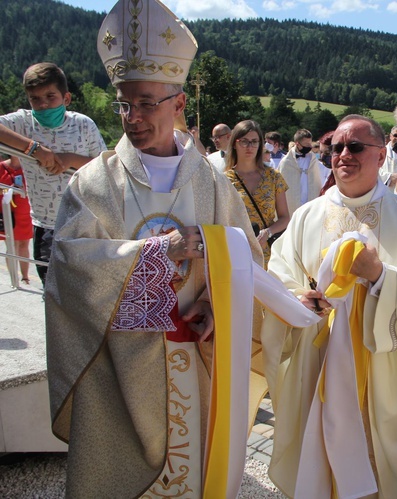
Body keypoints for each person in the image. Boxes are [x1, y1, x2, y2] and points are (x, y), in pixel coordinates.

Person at [44, 1, 264, 496]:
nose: (132, 117)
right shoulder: (93, 182)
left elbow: (247, 260)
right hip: (118, 370)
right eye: (124, 103)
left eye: (146, 103)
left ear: (179, 103)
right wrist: (158, 254)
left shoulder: (212, 184)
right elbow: (68, 266)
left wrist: (217, 304)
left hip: (196, 359)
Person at [261, 115, 397, 498]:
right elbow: (278, 274)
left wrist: (380, 277)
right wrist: (298, 299)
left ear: (380, 155)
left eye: (356, 147)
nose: (344, 155)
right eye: (336, 147)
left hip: (378, 370)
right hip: (316, 358)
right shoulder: (307, 215)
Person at [0, 62, 107, 285]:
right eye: (35, 99)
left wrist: (71, 159)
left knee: (86, 292)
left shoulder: (83, 125)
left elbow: (106, 165)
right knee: (52, 294)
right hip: (46, 225)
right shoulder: (23, 122)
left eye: (51, 97)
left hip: (84, 223)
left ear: (66, 99)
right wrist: (33, 148)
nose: (44, 105)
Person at [225, 119, 290, 267]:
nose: (250, 146)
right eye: (244, 141)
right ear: (235, 143)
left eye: (254, 141)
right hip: (236, 251)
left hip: (268, 252)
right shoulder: (224, 180)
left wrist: (268, 232)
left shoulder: (274, 176)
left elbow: (285, 217)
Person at [0, 155, 32, 284]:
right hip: (7, 211)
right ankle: (14, 278)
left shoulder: (30, 168)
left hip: (24, 210)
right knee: (11, 245)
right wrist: (10, 190)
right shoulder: (1, 167)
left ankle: (25, 277)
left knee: (24, 244)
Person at [277, 128, 323, 215]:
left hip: (310, 199)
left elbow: (317, 180)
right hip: (293, 201)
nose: (309, 146)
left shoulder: (313, 160)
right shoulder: (286, 162)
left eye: (310, 143)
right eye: (306, 144)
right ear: (297, 143)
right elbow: (280, 185)